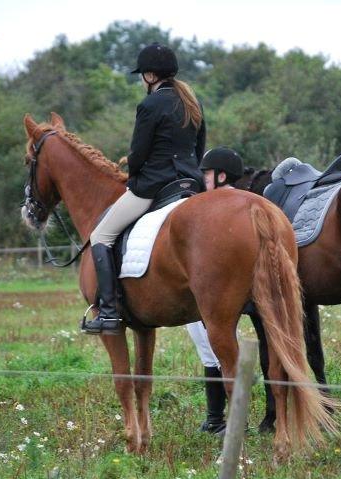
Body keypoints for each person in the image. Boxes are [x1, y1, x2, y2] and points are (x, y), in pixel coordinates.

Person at [83, 43, 206, 335]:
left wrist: (134, 172)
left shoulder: (150, 105)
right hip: (190, 183)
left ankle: (110, 313)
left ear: (150, 76)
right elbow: (199, 149)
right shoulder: (192, 102)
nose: (142, 80)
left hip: (155, 185)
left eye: (142, 75)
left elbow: (138, 153)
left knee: (101, 235)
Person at [185, 147, 244, 435]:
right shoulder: (247, 204)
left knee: (208, 345)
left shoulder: (211, 209)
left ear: (221, 175)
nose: (203, 179)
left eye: (207, 174)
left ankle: (217, 419)